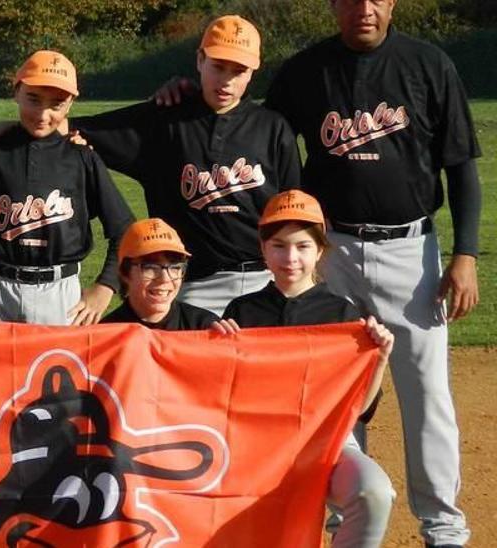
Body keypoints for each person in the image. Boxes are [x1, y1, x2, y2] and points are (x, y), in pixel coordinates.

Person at [156, 4, 481, 543]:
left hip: (411, 248)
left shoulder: (428, 65)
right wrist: (187, 91)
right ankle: (341, 508)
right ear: (335, 4)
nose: (365, 8)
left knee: (426, 392)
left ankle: (442, 526)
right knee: (331, 388)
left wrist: (465, 253)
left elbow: (461, 164)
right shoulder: (307, 71)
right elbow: (249, 125)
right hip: (328, 249)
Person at [72, 15, 299, 315]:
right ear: (200, 60)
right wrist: (7, 129)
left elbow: (294, 211)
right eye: (218, 66)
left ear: (253, 72)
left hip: (264, 279)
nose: (227, 80)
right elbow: (68, 128)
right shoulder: (164, 122)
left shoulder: (272, 128)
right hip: (191, 284)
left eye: (239, 70)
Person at [217, 190, 394, 548]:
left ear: (320, 251)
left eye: (302, 246)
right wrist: (217, 347)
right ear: (263, 249)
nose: (290, 257)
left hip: (326, 443)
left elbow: (360, 411)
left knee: (375, 492)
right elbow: (220, 396)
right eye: (279, 245)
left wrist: (380, 358)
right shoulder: (242, 312)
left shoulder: (342, 315)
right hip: (256, 446)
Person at [0, 50, 134, 326]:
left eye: (56, 104)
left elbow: (124, 228)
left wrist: (105, 286)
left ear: (71, 103)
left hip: (61, 292)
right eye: (33, 99)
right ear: (16, 91)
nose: (43, 113)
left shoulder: (81, 157)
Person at [101, 218, 220, 330]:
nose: (164, 279)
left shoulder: (203, 326)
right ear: (125, 273)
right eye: (150, 267)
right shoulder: (106, 335)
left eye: (175, 267)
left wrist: (227, 340)